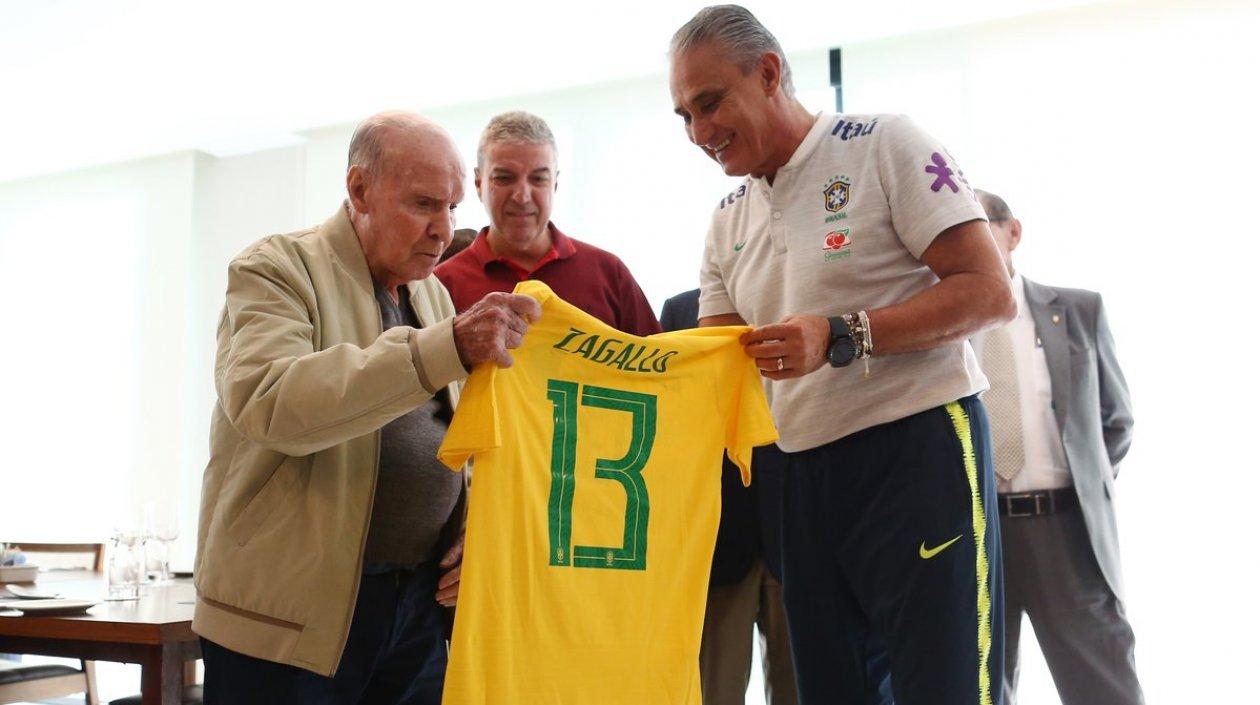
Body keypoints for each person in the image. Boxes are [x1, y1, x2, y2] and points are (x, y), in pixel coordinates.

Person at [668, 6, 1016, 705]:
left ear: (767, 73)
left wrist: (841, 333)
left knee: (946, 691)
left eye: (709, 104)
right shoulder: (725, 218)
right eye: (683, 116)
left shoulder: (885, 143)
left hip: (917, 450)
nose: (700, 133)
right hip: (796, 476)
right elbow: (716, 365)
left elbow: (989, 291)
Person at [193, 111, 540, 705]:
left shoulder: (432, 292)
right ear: (359, 190)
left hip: (418, 609)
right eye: (425, 204)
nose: (444, 229)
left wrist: (470, 525)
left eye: (454, 208)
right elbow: (269, 401)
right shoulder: (275, 268)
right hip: (293, 620)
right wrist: (445, 347)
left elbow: (456, 438)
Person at [973, 190, 1143, 705]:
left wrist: (1084, 484)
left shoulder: (1076, 310)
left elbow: (1116, 420)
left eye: (977, 228)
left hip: (1065, 530)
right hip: (979, 534)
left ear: (1013, 232)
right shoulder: (943, 332)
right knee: (978, 684)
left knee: (1102, 681)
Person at [660, 288, 798, 705]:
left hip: (801, 534)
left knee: (807, 688)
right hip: (716, 543)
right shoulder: (682, 311)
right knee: (712, 691)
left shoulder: (812, 301)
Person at [435, 111, 660, 336]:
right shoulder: (440, 287)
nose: (522, 196)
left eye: (538, 179)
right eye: (504, 178)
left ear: (555, 184)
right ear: (478, 183)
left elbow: (660, 366)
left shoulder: (609, 274)